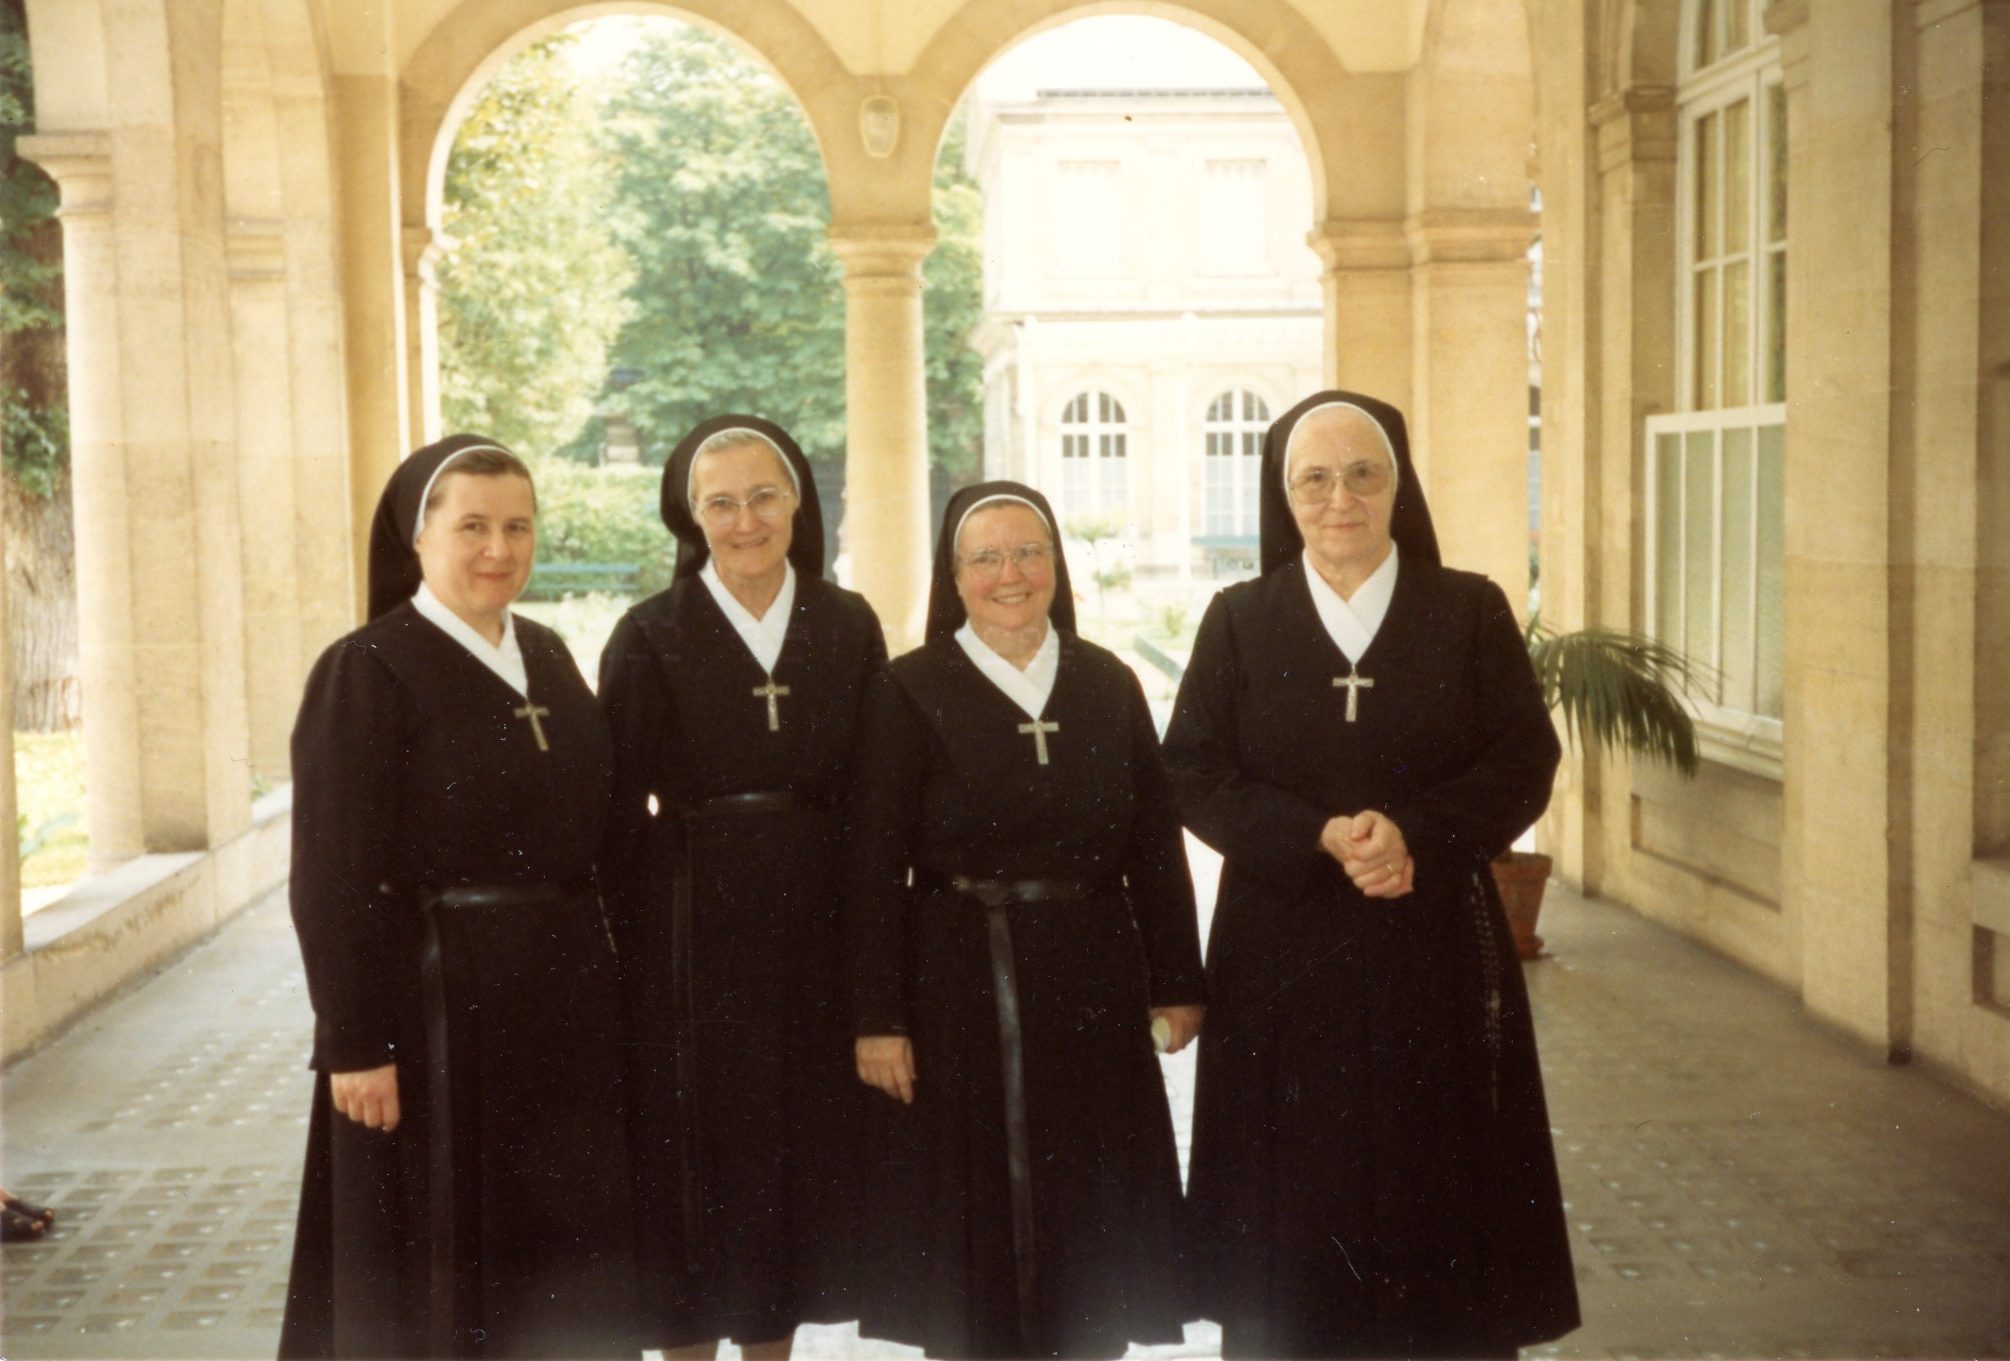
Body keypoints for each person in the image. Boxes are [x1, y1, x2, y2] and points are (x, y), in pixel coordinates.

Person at [1161, 391, 1579, 1359]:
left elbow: (1523, 760)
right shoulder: (1240, 619)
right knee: (1294, 1208)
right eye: (1313, 477)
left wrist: (1416, 834)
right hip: (1281, 951)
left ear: (1398, 486)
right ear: (1284, 494)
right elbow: (1190, 767)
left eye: (1363, 473)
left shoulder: (1466, 609)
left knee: (1439, 1180)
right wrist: (1316, 835)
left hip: (1431, 939)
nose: (1338, 496)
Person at [280, 435, 633, 1360]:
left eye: (518, 526)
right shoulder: (368, 667)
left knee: (557, 1269)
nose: (499, 548)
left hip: (559, 1005)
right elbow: (330, 872)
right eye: (472, 524)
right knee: (439, 1272)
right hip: (432, 1009)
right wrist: (353, 1039)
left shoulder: (550, 656)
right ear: (418, 536)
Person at [845, 481, 1206, 1360]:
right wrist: (878, 1018)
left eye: (1029, 552)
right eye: (986, 557)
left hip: (1090, 977)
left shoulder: (1104, 680)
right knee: (973, 1230)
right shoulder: (909, 688)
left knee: (1092, 1212)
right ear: (956, 576)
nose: (1011, 574)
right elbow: (868, 866)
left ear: (1056, 564)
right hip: (959, 979)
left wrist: (1177, 982)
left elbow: (1155, 844)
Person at [597, 417, 886, 1359]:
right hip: (687, 937)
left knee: (787, 1167)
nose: (745, 519)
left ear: (798, 501)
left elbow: (875, 794)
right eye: (719, 502)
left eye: (764, 496)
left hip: (815, 926)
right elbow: (612, 812)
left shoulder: (847, 623)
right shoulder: (650, 632)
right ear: (691, 515)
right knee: (690, 1167)